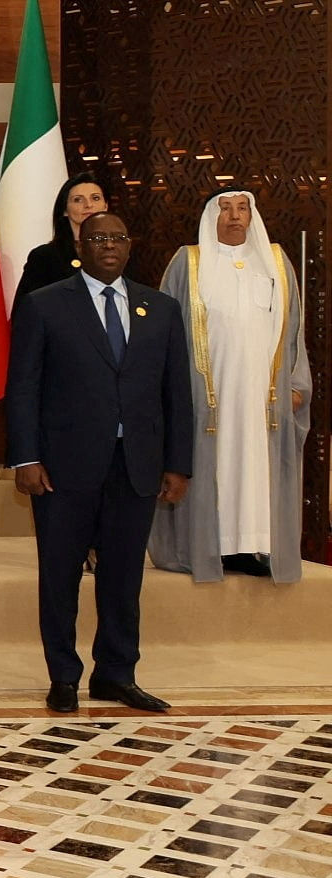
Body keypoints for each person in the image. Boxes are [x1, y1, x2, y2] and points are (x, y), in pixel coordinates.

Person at [6, 211, 194, 714]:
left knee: (124, 577)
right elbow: (23, 388)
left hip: (136, 465)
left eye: (116, 237)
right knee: (60, 576)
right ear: (80, 245)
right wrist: (26, 457)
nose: (107, 245)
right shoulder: (45, 305)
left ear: (129, 247)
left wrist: (178, 464)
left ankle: (116, 674)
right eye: (97, 238)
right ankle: (64, 677)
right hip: (62, 468)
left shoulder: (161, 308)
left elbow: (177, 392)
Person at [151, 191, 310, 584]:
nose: (235, 216)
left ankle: (250, 547)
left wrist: (294, 385)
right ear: (211, 216)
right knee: (213, 466)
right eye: (225, 208)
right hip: (209, 397)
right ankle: (209, 547)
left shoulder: (274, 263)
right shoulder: (188, 263)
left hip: (261, 397)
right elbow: (164, 335)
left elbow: (294, 333)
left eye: (243, 208)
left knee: (254, 469)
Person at [11, 175, 108, 308]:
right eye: (78, 200)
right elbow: (26, 310)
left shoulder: (122, 252)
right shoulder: (44, 257)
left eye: (95, 198)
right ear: (64, 210)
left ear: (105, 206)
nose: (88, 205)